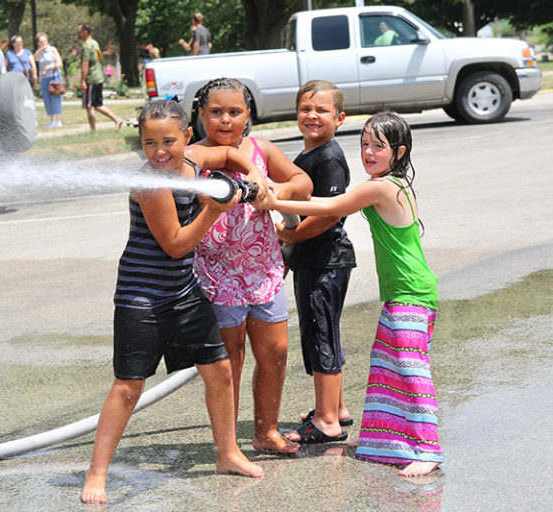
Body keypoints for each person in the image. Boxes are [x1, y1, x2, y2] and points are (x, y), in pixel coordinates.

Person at [80, 99, 266, 504]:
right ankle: (96, 473)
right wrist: (216, 210)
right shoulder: (151, 183)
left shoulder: (195, 162)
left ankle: (228, 453)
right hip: (141, 296)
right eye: (149, 143)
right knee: (128, 387)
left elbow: (232, 151)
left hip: (182, 291)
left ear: (187, 137)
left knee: (219, 371)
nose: (159, 151)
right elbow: (177, 245)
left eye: (168, 141)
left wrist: (253, 175)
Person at [259, 111, 444, 477]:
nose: (368, 153)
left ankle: (428, 448)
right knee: (385, 369)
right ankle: (382, 441)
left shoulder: (382, 186)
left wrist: (273, 201)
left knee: (410, 371)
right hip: (403, 292)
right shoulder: (391, 183)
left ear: (399, 151)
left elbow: (329, 207)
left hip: (412, 292)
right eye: (364, 145)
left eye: (379, 146)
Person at [189, 77, 313, 455]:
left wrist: (274, 195)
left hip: (263, 270)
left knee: (275, 353)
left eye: (234, 112)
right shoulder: (193, 156)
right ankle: (228, 445)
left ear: (248, 115)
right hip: (216, 273)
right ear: (199, 115)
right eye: (215, 112)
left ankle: (265, 431)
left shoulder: (260, 149)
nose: (225, 120)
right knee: (230, 361)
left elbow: (302, 182)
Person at [276, 80, 357, 445]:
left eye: (321, 110)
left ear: (339, 118)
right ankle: (336, 407)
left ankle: (326, 422)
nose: (312, 116)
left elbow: (329, 216)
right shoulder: (307, 156)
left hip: (326, 260)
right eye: (305, 109)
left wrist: (290, 236)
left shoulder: (329, 157)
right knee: (324, 331)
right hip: (315, 260)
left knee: (321, 334)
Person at [77, 22, 124, 132]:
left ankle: (93, 131)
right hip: (99, 77)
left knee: (90, 106)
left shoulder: (86, 45)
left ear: (85, 32)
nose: (78, 33)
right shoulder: (95, 43)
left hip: (91, 79)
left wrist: (83, 80)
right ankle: (117, 119)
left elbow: (85, 63)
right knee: (97, 104)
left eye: (79, 31)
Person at [34, 32, 63, 128]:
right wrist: (40, 50)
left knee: (55, 97)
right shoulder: (40, 52)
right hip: (44, 78)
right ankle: (52, 120)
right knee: (47, 99)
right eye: (41, 42)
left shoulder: (52, 50)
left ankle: (58, 120)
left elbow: (59, 63)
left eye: (45, 41)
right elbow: (34, 59)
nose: (43, 43)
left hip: (54, 77)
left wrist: (48, 68)